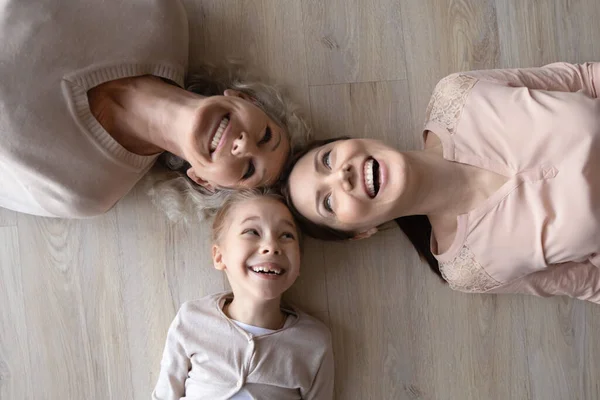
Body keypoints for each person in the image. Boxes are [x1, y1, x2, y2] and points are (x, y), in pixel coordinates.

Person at [282, 62, 600, 304]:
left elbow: (582, 79)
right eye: (328, 202)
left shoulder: (458, 93)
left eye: (326, 160)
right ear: (361, 233)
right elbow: (590, 284)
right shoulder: (470, 269)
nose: (341, 175)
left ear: (351, 140)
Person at [0, 0, 307, 219]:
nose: (243, 145)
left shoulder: (84, 191)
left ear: (204, 181)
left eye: (248, 170)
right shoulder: (156, 13)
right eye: (266, 136)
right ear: (244, 98)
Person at [152, 189, 334, 400]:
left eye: (286, 235)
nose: (271, 247)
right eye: (252, 232)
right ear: (219, 256)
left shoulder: (314, 342)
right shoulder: (192, 319)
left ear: (299, 262)